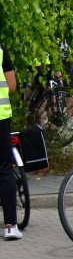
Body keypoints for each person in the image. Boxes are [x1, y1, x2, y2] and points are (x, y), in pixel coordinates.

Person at [1, 40, 22, 239]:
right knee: (5, 169)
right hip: (0, 118)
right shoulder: (1, 50)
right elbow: (12, 87)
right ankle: (10, 226)